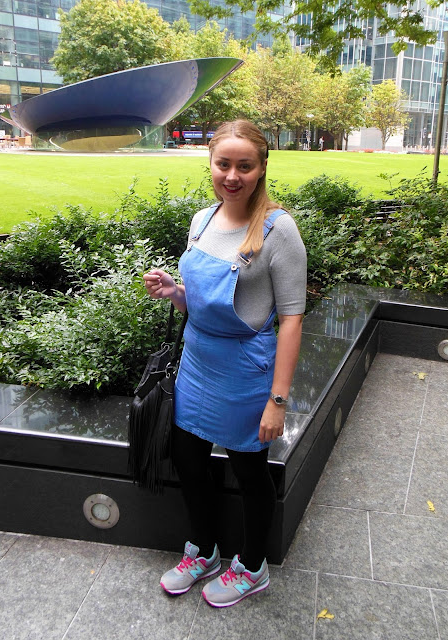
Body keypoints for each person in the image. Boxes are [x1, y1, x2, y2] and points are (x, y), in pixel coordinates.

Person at [143, 119, 307, 608]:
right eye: (223, 164)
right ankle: (204, 551)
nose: (232, 176)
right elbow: (199, 303)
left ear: (261, 168)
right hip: (197, 362)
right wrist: (175, 292)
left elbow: (291, 321)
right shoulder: (202, 219)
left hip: (244, 372)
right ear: (211, 164)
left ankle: (252, 566)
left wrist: (277, 401)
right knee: (190, 461)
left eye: (244, 166)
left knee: (249, 471)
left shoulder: (279, 230)